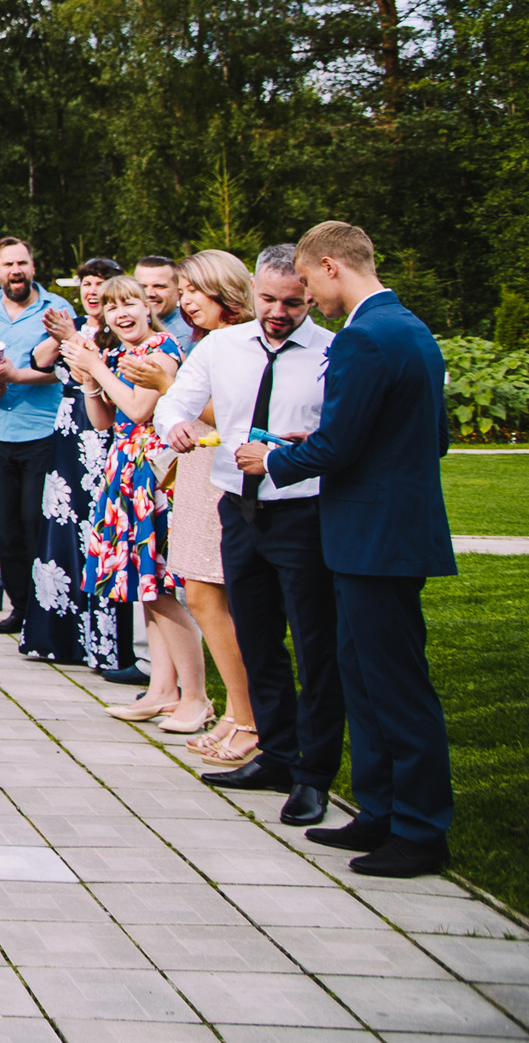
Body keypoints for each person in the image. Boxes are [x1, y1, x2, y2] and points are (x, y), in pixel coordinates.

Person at [242, 223, 457, 876]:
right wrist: (328, 433)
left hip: (376, 538)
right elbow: (429, 436)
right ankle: (379, 811)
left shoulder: (365, 336)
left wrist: (272, 456)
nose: (306, 296)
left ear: (331, 267)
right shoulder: (410, 328)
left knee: (395, 686)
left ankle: (420, 830)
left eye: (306, 283)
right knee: (363, 679)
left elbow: (337, 450)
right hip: (379, 531)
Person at [157, 245, 338, 834]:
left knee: (314, 648)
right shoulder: (220, 347)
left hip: (303, 514)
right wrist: (177, 425)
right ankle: (277, 756)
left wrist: (303, 444)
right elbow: (174, 403)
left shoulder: (332, 352)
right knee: (258, 641)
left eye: (291, 302)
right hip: (238, 510)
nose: (278, 312)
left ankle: (314, 776)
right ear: (254, 290)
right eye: (268, 299)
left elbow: (341, 435)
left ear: (310, 294)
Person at [65, 275, 213, 734]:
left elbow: (139, 410)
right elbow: (104, 421)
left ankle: (197, 697)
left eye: (130, 302)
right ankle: (162, 690)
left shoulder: (163, 349)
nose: (121, 313)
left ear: (149, 307)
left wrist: (98, 366)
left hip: (158, 475)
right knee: (142, 585)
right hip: (125, 470)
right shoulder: (119, 354)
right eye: (111, 308)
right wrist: (89, 379)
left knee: (161, 586)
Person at [163, 250, 260, 767]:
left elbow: (237, 411)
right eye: (184, 292)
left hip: (223, 467)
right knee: (200, 591)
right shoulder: (208, 341)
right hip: (200, 464)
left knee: (206, 592)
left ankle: (248, 717)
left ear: (225, 290)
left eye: (196, 291)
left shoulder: (243, 341)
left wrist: (165, 388)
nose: (186, 301)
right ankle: (235, 711)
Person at [0, 237, 71, 637]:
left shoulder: (56, 309)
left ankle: (48, 610)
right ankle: (20, 607)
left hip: (44, 429)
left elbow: (64, 368)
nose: (16, 271)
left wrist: (15, 376)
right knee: (6, 525)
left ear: (33, 266)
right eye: (8, 265)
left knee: (33, 521)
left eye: (22, 263)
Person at [20, 257, 121, 667]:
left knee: (96, 526)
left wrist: (80, 336)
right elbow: (40, 360)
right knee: (62, 522)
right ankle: (57, 636)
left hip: (101, 426)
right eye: (87, 284)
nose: (92, 292)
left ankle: (103, 639)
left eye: (100, 284)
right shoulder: (76, 322)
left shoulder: (122, 328)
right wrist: (68, 333)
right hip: (67, 428)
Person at [135, 254, 194, 358]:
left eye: (159, 286)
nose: (150, 293)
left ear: (178, 290)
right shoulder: (129, 326)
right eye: (142, 286)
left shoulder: (184, 336)